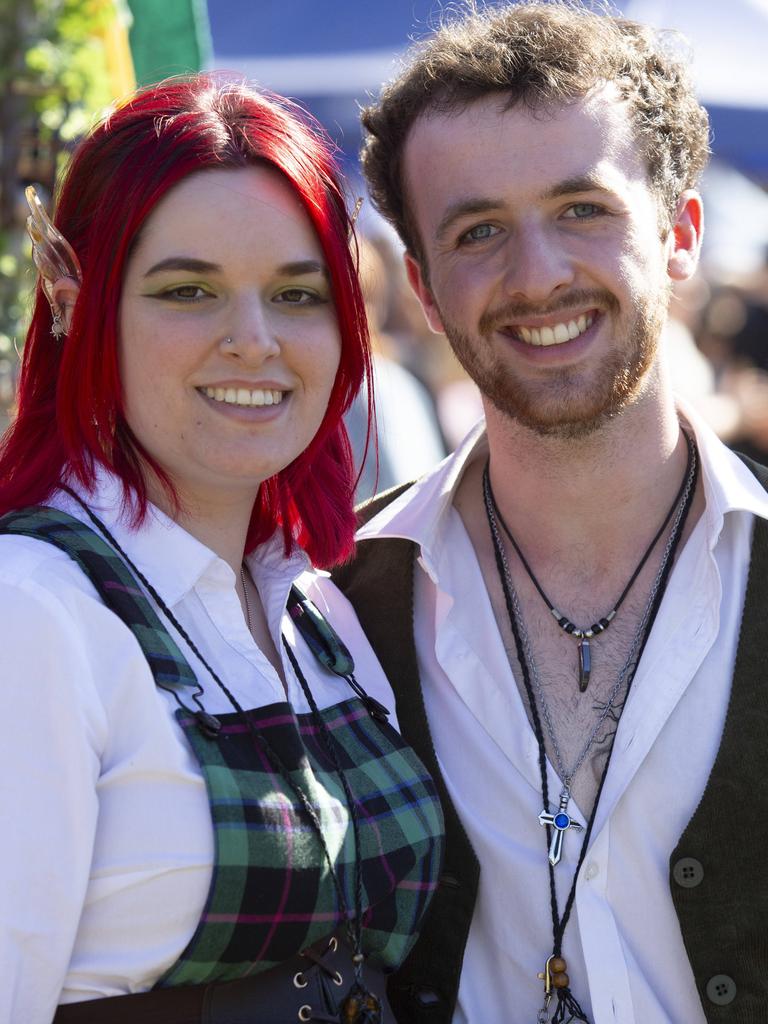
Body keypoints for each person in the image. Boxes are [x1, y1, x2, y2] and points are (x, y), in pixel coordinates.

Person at [333, 4, 768, 1023]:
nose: (537, 276)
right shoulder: (337, 607)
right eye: (478, 230)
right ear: (425, 292)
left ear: (679, 236)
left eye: (583, 209)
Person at [0, 76, 444, 1024]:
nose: (255, 342)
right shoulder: (31, 609)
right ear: (73, 300)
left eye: (296, 293)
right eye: (188, 290)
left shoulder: (318, 607)